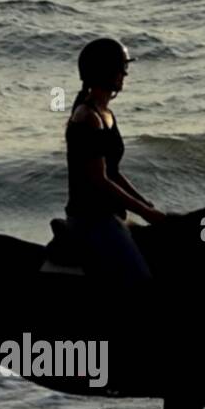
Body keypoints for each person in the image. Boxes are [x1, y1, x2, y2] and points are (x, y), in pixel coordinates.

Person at [64, 38, 163, 283]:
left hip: (110, 215)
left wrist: (145, 204)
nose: (124, 74)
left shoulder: (106, 114)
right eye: (120, 69)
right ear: (104, 71)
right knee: (140, 280)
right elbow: (100, 179)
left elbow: (114, 172)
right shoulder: (88, 117)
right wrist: (143, 212)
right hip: (92, 219)